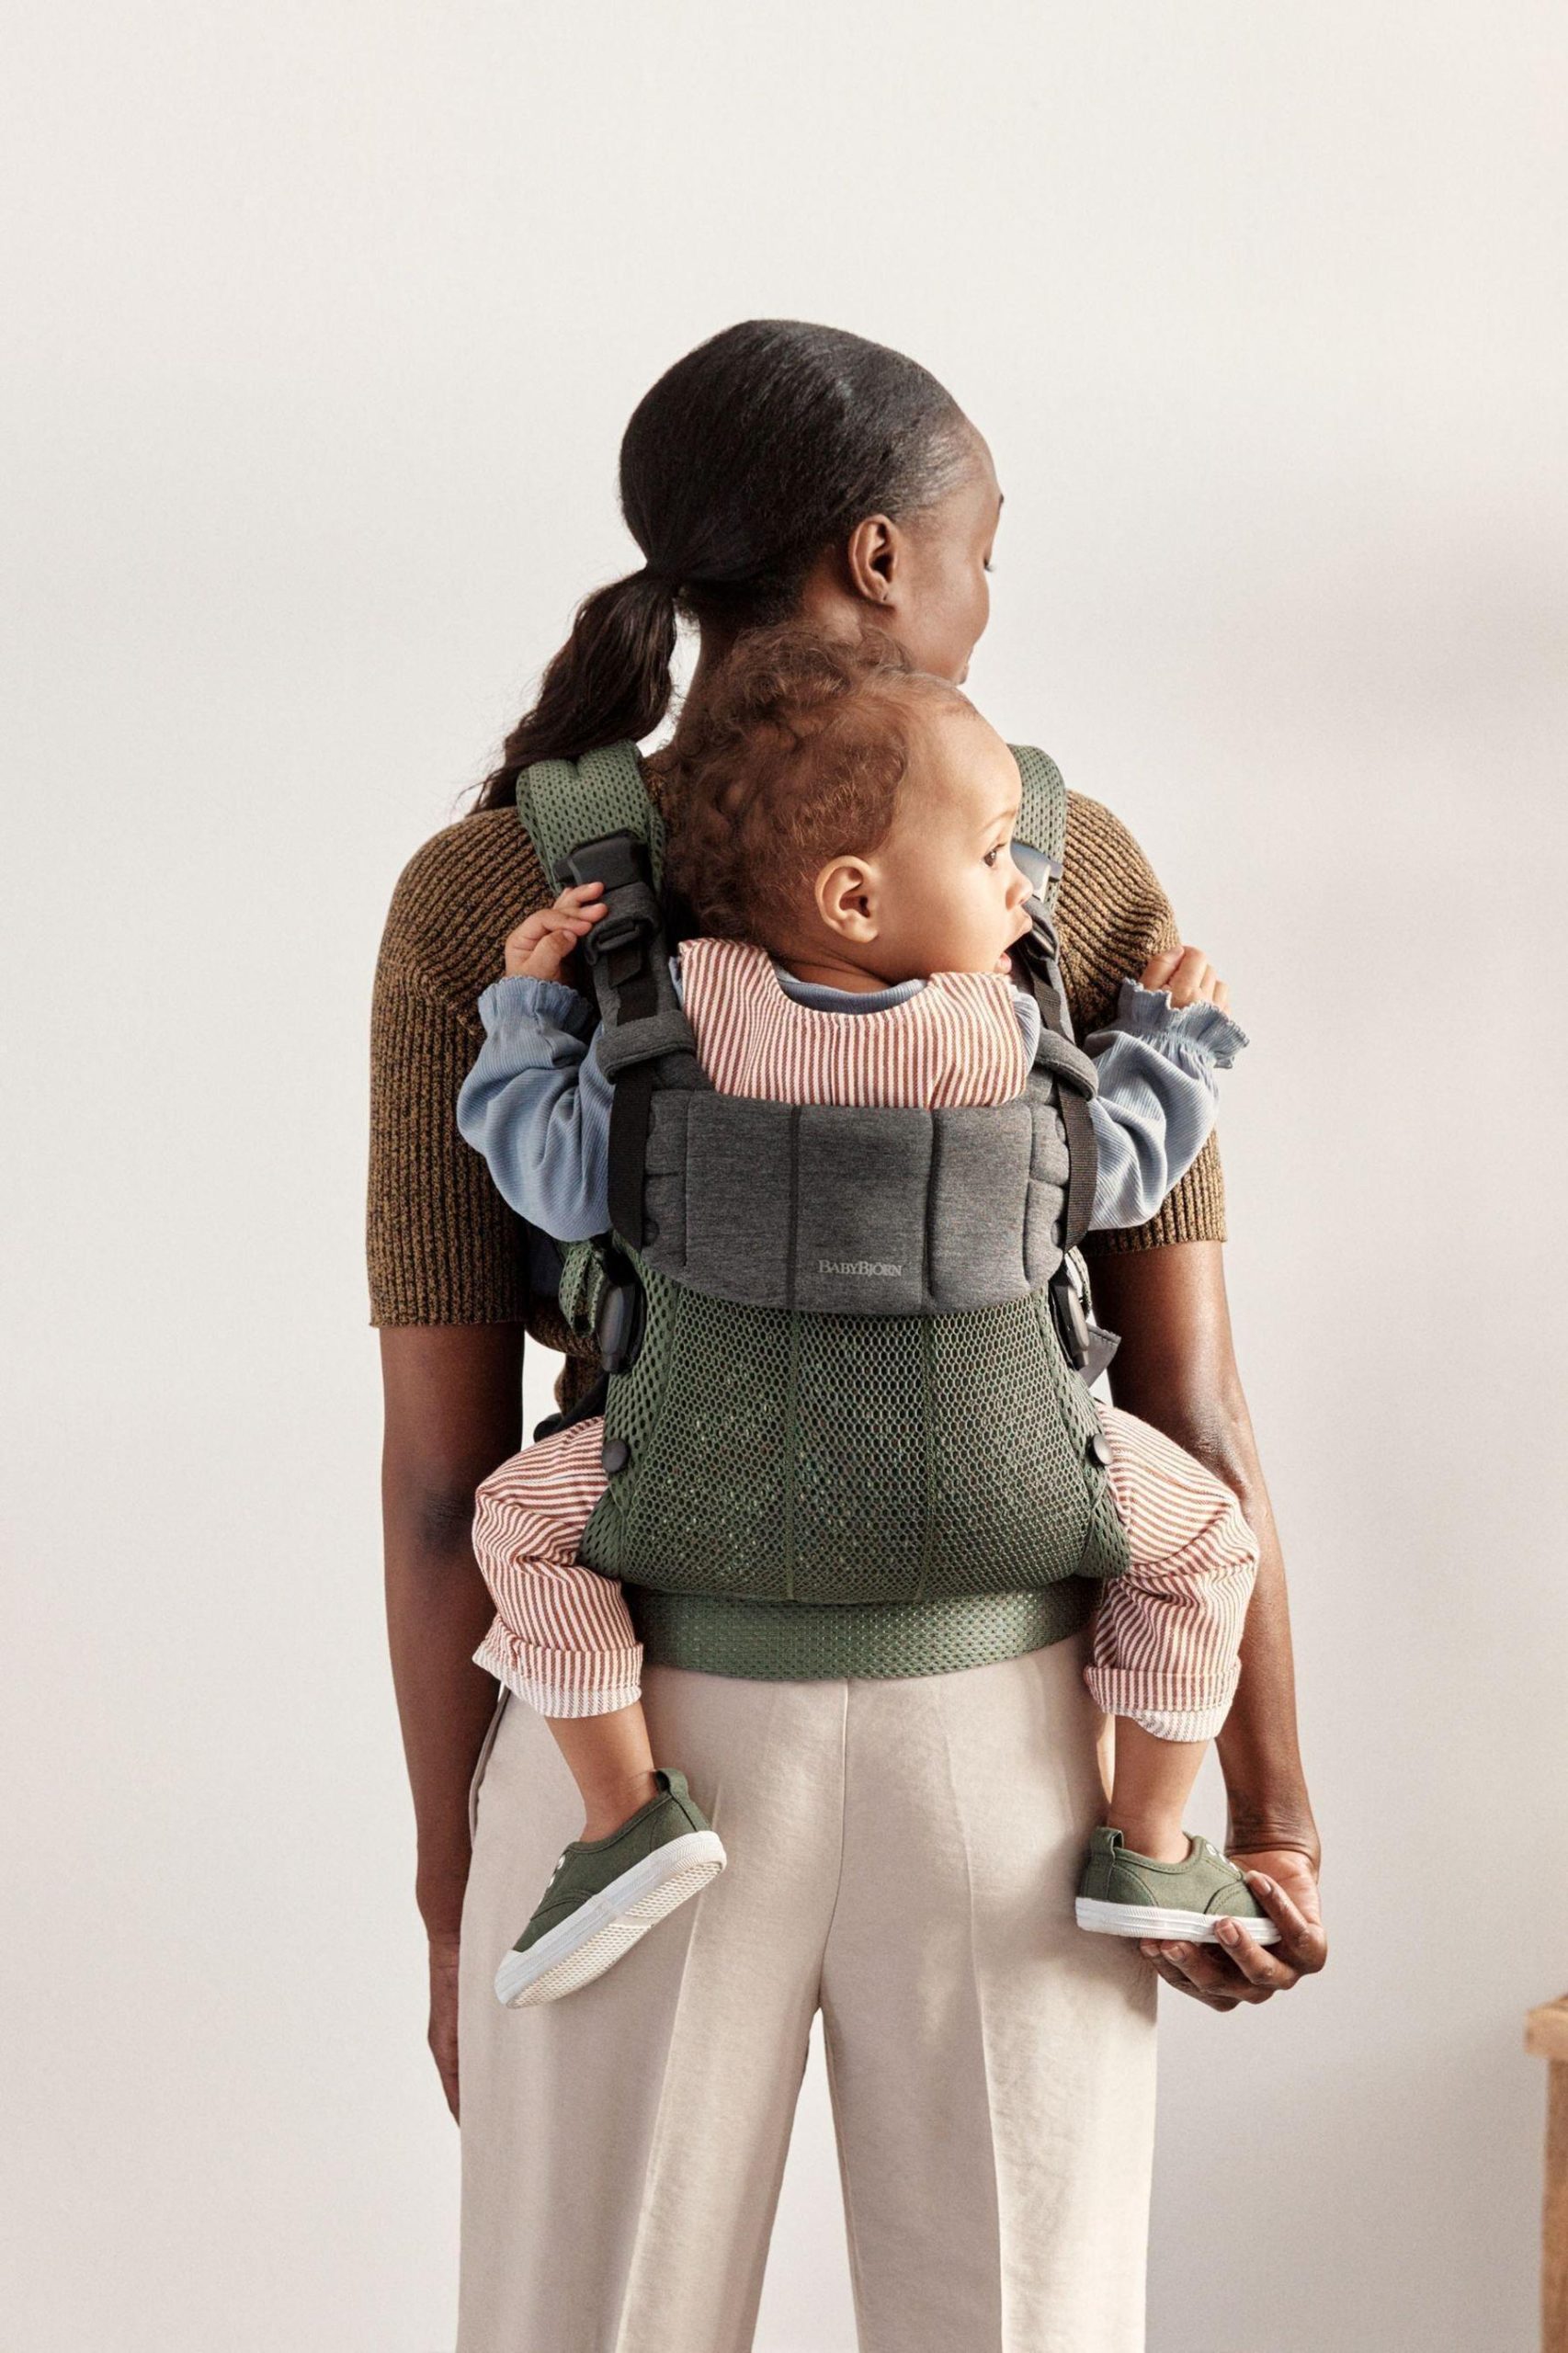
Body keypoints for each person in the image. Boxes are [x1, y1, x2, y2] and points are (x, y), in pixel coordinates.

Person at [369, 318, 1325, 2353]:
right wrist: (1264, 1815)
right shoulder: (1059, 866)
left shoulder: (488, 892)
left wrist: (455, 1883)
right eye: (984, 548)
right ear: (881, 558)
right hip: (1021, 1745)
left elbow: (449, 1478)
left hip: (629, 1733)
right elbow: (1188, 1400)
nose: (986, 597)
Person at [456, 623, 1269, 2010]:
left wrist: (531, 1016)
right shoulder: (1007, 1036)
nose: (1022, 885)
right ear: (851, 897)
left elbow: (547, 1173)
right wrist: (1172, 1046)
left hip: (694, 1484)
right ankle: (1145, 1843)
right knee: (1204, 1544)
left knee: (516, 1525)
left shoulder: (667, 1022)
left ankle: (622, 1812)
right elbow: (1123, 1171)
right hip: (1015, 1490)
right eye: (993, 854)